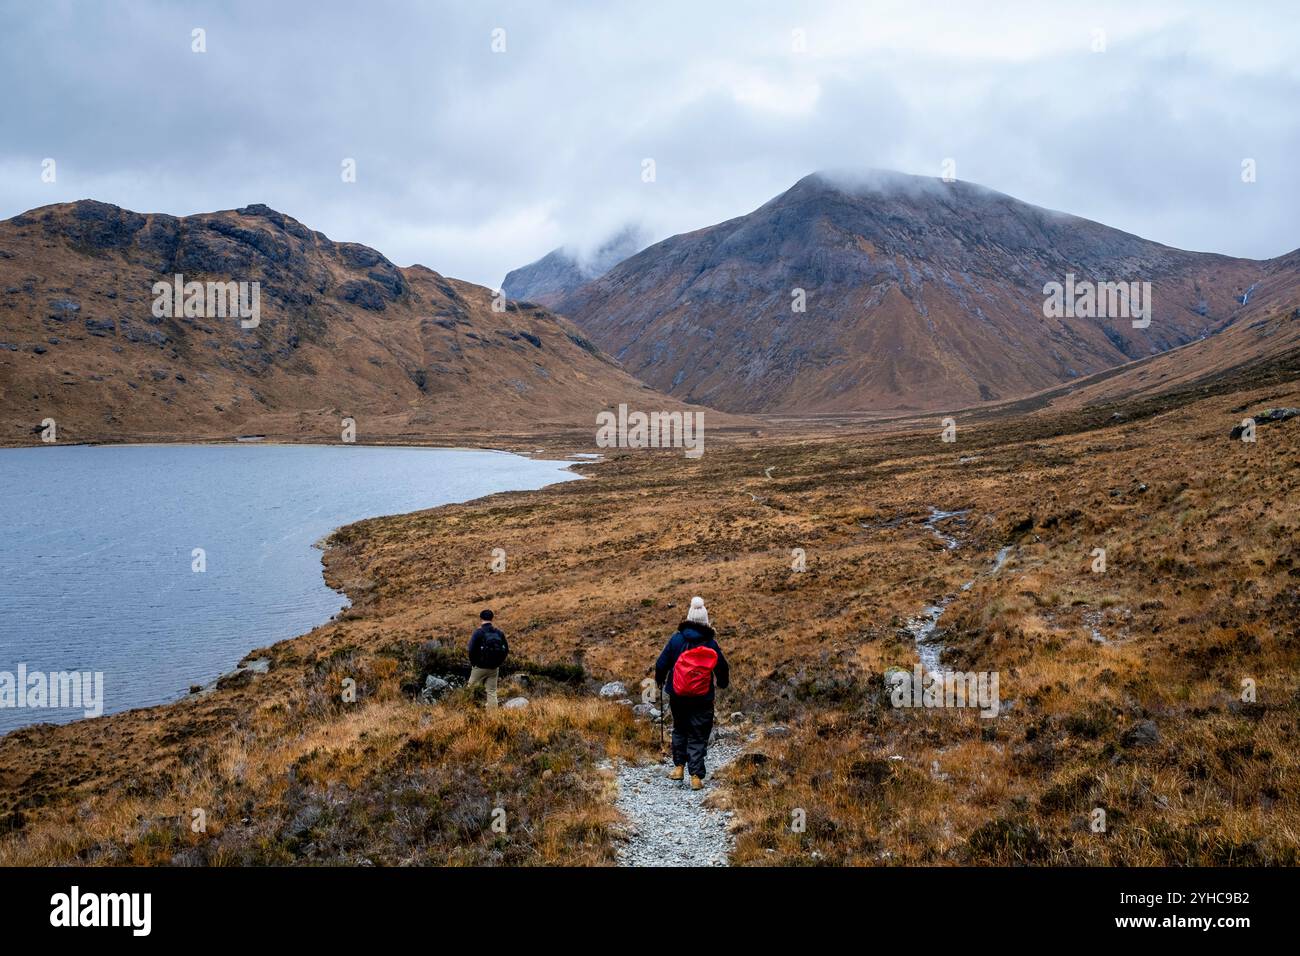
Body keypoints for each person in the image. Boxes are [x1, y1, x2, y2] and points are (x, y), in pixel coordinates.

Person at [655, 596, 730, 790]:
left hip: (678, 695)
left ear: (688, 617)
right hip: (702, 697)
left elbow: (661, 664)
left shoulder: (677, 639)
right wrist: (722, 683)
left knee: (680, 728)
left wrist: (660, 679)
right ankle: (696, 776)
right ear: (706, 620)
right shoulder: (710, 643)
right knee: (698, 733)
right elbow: (722, 667)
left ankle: (679, 768)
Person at [467, 609, 509, 708]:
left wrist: (474, 663)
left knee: (470, 690)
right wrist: (499, 663)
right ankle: (493, 717)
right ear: (492, 618)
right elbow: (506, 650)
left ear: (480, 618)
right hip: (494, 668)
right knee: (492, 692)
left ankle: (470, 712)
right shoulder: (499, 633)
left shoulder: (478, 633)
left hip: (479, 667)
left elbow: (471, 650)